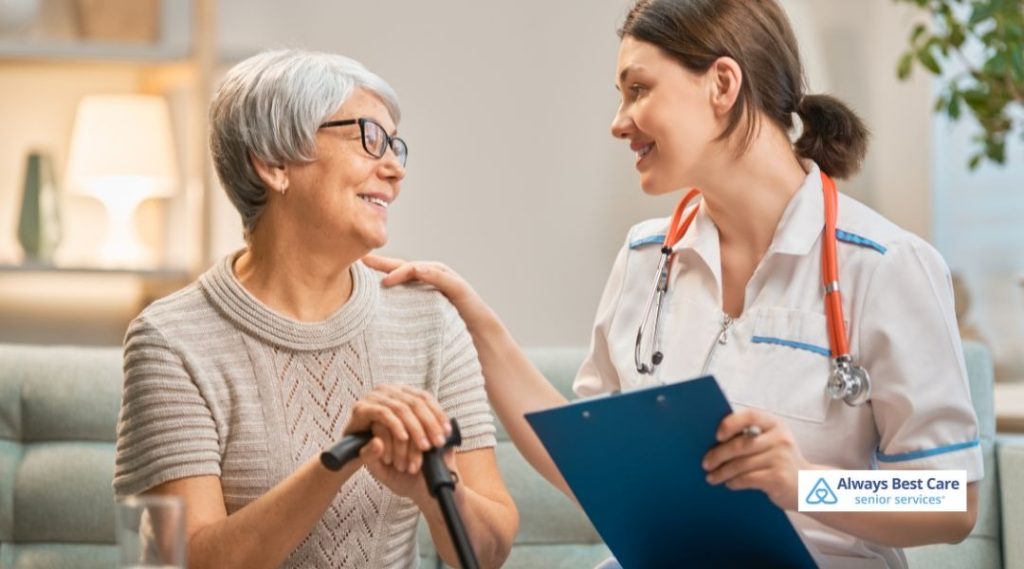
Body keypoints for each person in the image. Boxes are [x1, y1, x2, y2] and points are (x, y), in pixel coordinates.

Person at [365, 0, 981, 567]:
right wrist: (473, 316)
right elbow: (590, 462)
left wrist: (801, 482)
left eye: (638, 90)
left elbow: (953, 502)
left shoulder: (885, 265)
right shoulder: (645, 258)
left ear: (722, 84)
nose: (619, 122)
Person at [113, 49, 517, 569]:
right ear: (274, 163)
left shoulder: (429, 320)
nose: (394, 170)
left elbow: (488, 554)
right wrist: (339, 460)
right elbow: (190, 560)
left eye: (396, 146)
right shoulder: (171, 339)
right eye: (370, 139)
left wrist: (435, 488)